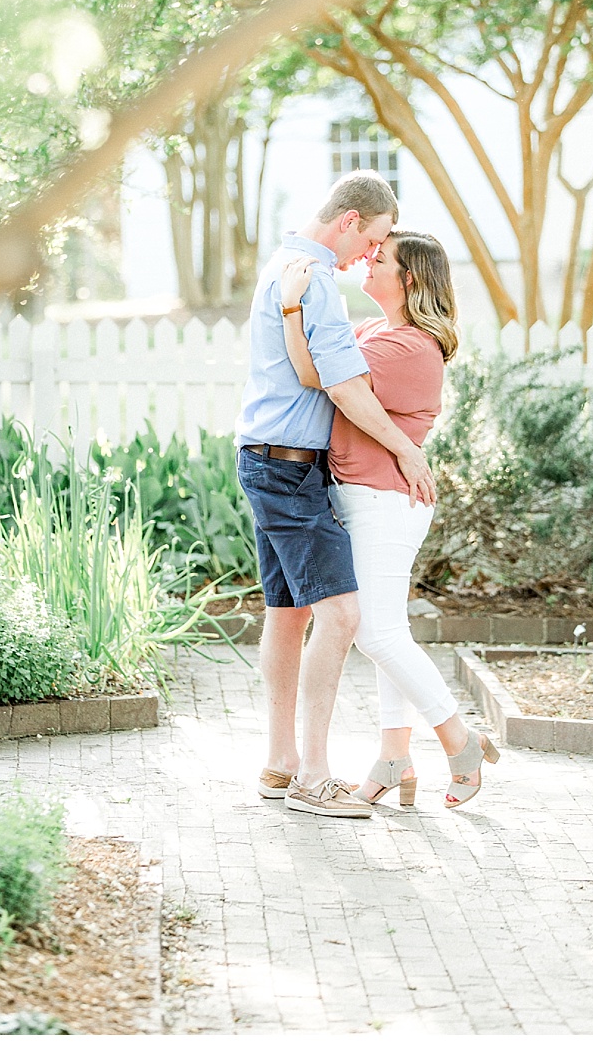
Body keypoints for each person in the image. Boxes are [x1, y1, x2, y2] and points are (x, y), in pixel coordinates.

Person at [236, 171, 435, 820]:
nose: (370, 256)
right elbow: (343, 388)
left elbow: (308, 372)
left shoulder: (288, 264)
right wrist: (407, 448)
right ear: (350, 221)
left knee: (287, 614)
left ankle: (281, 762)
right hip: (289, 469)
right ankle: (314, 778)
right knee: (343, 617)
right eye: (372, 240)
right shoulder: (315, 279)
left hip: (268, 460)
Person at [278, 231, 499, 809]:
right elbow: (321, 362)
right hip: (362, 498)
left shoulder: (410, 347)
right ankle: (394, 755)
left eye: (380, 259)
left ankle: (460, 740)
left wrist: (291, 306)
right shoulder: (375, 333)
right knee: (386, 630)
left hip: (384, 503)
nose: (368, 263)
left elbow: (313, 374)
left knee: (375, 633)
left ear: (410, 279)